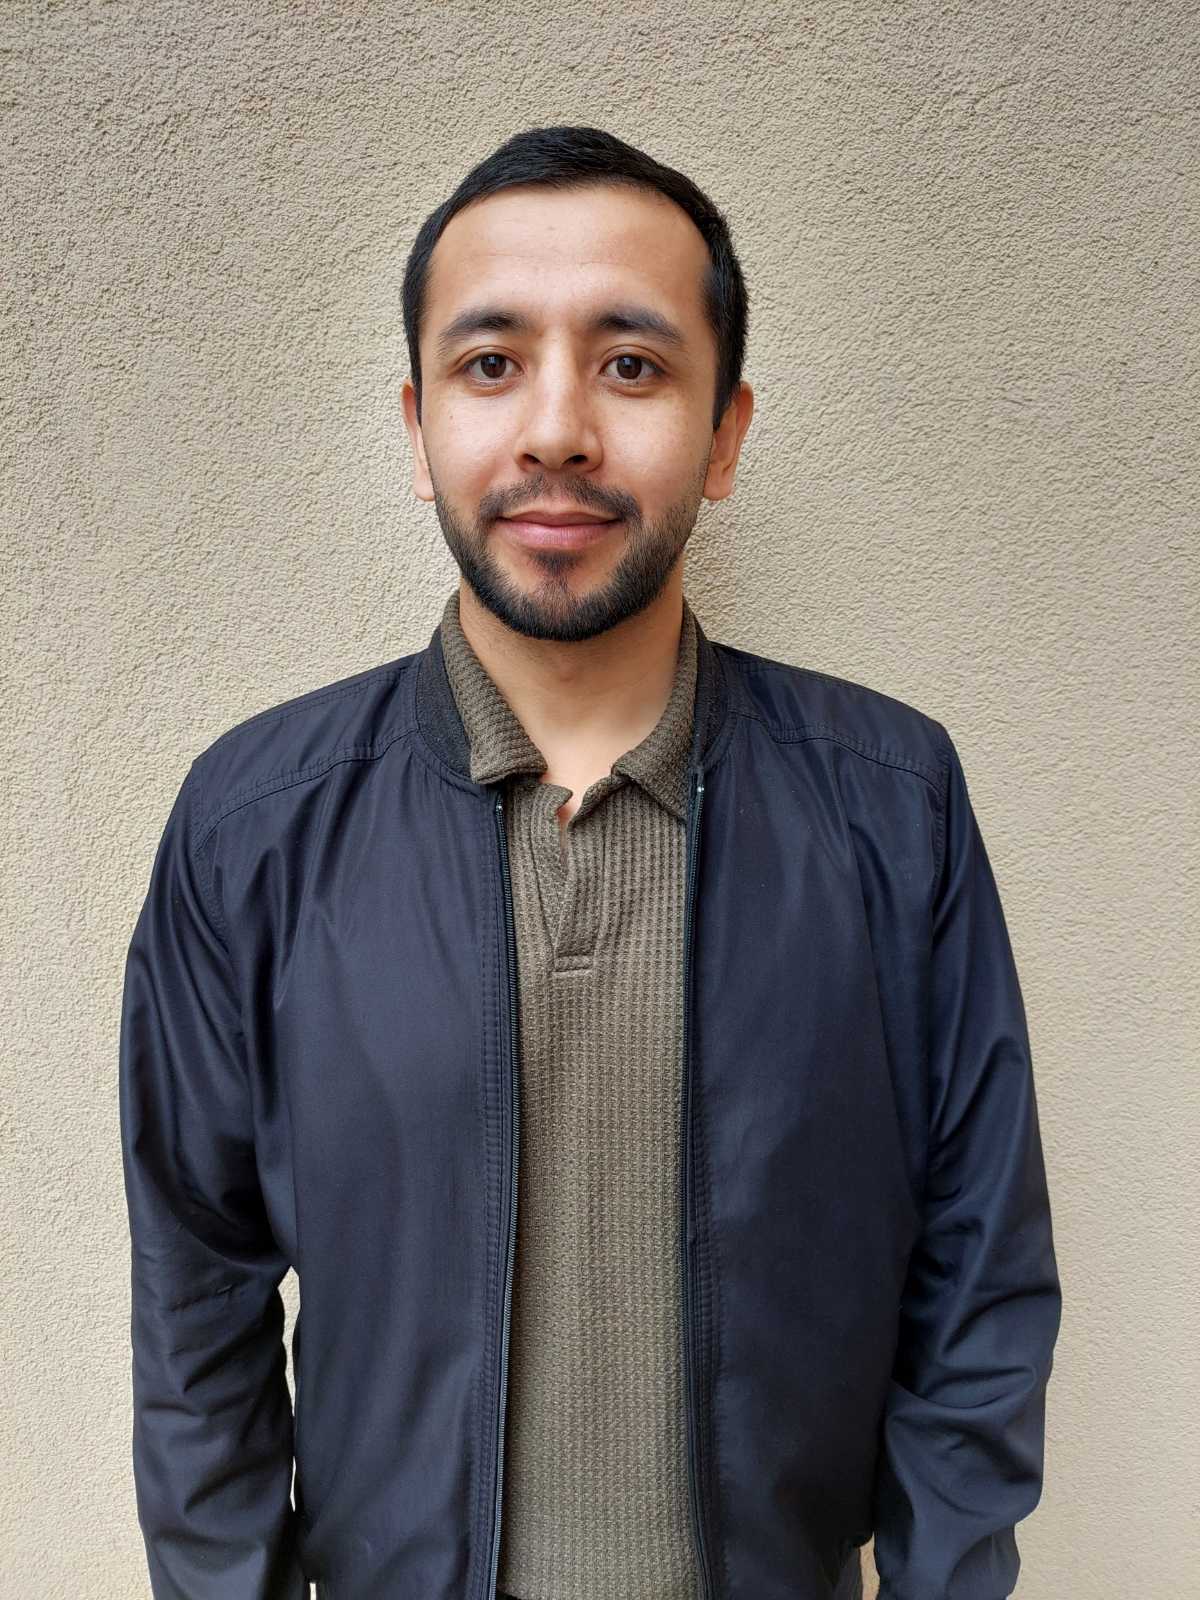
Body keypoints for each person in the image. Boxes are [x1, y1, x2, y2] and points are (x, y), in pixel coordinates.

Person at [118, 124, 1062, 1600]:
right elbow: (196, 1313)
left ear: (726, 433)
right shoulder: (254, 824)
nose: (557, 428)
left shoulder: (897, 808)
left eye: (631, 364)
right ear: (419, 427)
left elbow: (980, 1277)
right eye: (492, 364)